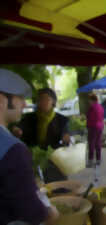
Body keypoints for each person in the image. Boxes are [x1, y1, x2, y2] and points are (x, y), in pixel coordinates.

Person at [0, 69, 58, 225]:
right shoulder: (13, 150)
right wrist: (50, 213)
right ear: (2, 100)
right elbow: (31, 212)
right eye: (20, 98)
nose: (25, 104)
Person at [12, 88, 70, 182]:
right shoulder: (29, 118)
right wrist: (17, 130)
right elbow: (19, 127)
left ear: (53, 101)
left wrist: (66, 138)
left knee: (58, 190)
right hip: (33, 162)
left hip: (54, 163)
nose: (43, 102)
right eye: (40, 99)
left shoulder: (62, 119)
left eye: (46, 99)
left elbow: (66, 135)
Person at [87, 94, 104, 167]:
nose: (88, 102)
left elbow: (89, 117)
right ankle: (98, 160)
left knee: (91, 144)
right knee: (98, 143)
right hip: (100, 126)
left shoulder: (92, 107)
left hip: (93, 127)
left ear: (92, 100)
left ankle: (90, 161)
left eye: (89, 100)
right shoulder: (100, 106)